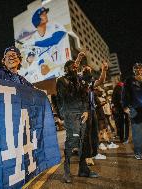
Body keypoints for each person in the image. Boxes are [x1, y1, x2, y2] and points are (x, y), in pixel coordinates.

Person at [56, 51, 99, 183]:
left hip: (82, 115)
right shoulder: (61, 81)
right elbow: (61, 99)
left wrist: (86, 111)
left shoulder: (79, 81)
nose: (75, 69)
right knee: (71, 143)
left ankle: (83, 170)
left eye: (76, 68)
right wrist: (62, 116)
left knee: (84, 142)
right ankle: (67, 173)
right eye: (72, 67)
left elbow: (85, 97)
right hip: (70, 115)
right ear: (66, 69)